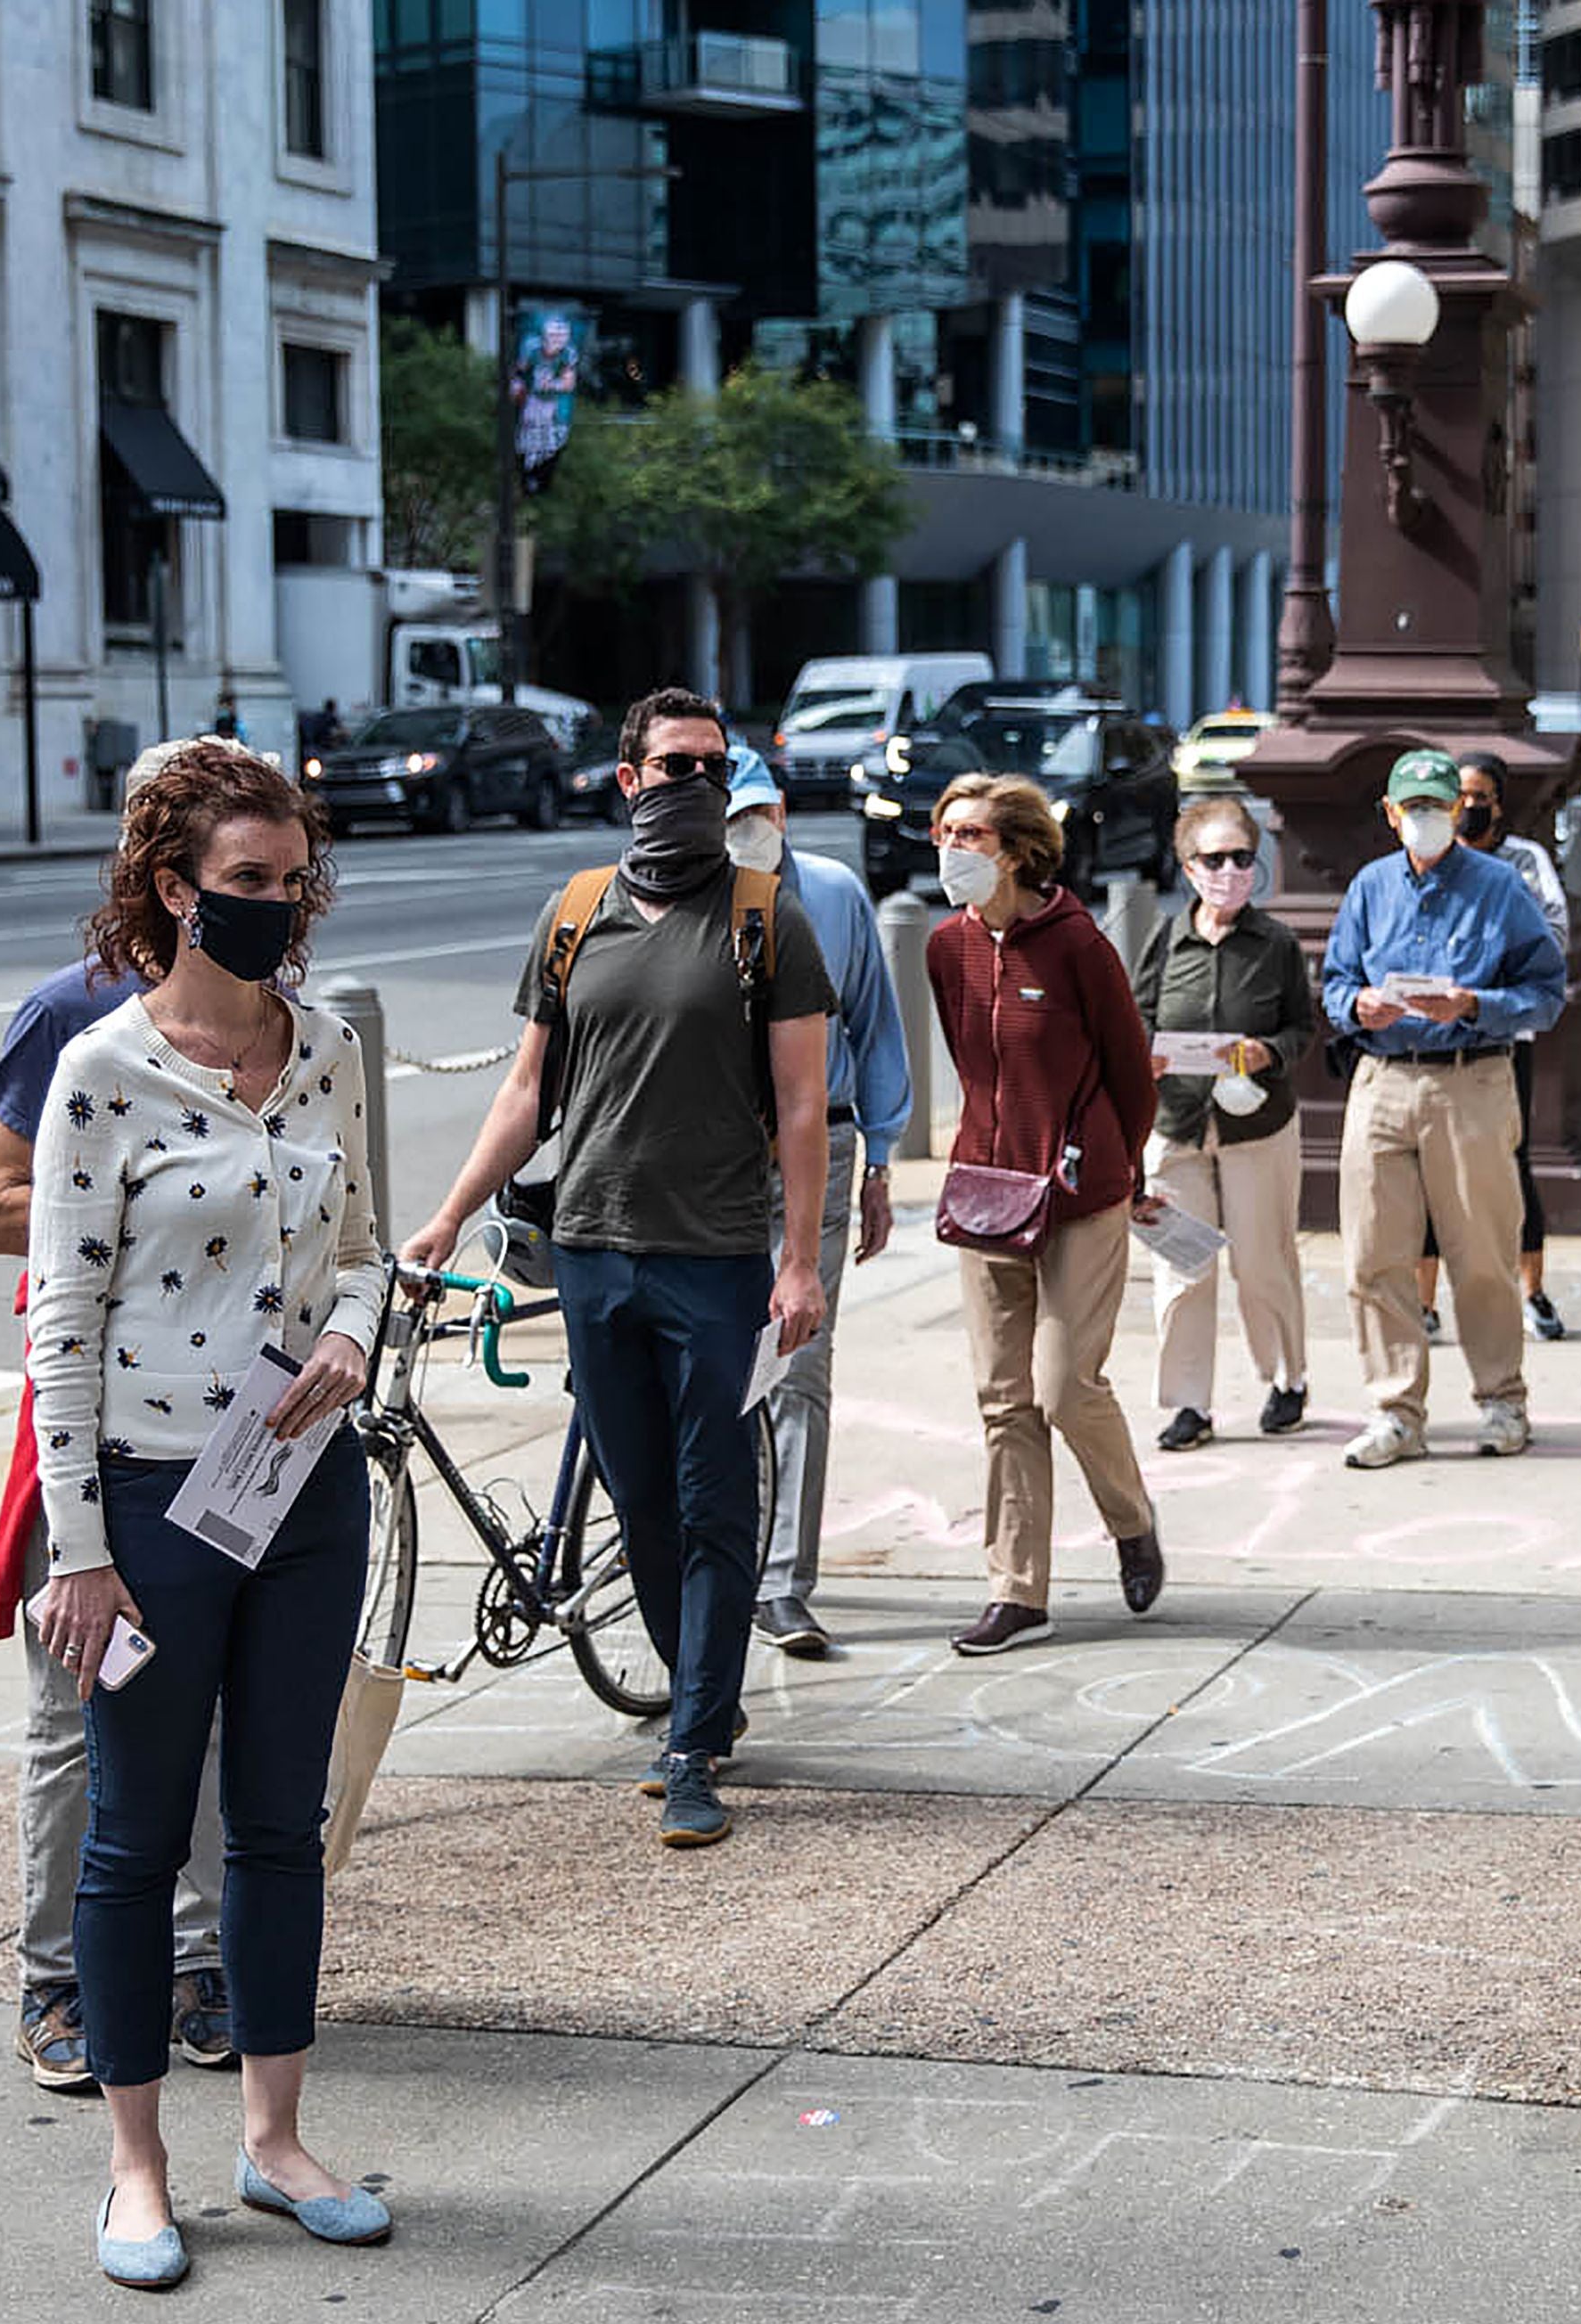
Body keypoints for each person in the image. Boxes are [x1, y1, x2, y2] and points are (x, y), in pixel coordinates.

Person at [24, 740, 389, 2287]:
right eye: (247, 882)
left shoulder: (327, 1049)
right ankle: (134, 2168)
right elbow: (62, 1320)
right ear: (173, 889)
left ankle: (278, 2140)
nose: (281, 905)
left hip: (306, 1491)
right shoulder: (103, 1072)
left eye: (294, 878)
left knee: (281, 1828)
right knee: (130, 1836)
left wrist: (357, 1333)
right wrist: (84, 1550)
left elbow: (366, 1241)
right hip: (160, 1506)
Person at [401, 688, 834, 1848]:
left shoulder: (765, 919)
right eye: (672, 764)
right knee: (640, 1497)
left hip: (721, 1259)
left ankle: (690, 1742)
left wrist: (801, 1261)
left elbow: (802, 1107)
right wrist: (447, 1216)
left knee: (713, 1498)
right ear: (628, 776)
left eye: (712, 765)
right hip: (593, 1252)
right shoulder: (576, 911)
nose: (691, 782)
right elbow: (524, 1091)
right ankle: (705, 1684)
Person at [0, 857, 227, 2097]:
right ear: (162, 878)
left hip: (228, 1418)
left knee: (215, 1705)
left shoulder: (275, 1013)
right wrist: (133, 1207)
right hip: (89, 1409)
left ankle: (195, 1964)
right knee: (78, 1703)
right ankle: (55, 1980)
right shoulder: (68, 1012)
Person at [923, 772, 1166, 1650]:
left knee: (1065, 1385)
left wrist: (1124, 1167)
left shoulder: (1078, 946)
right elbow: (967, 1058)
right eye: (944, 832)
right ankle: (1017, 1590)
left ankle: (1131, 1520)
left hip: (1079, 1194)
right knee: (1004, 1399)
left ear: (1019, 850)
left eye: (972, 836)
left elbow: (1132, 1076)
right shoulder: (946, 947)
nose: (952, 849)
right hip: (987, 1193)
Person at [1322, 748, 1568, 1469]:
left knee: (1484, 1251)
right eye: (1414, 807)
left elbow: (1547, 990)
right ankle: (1395, 1409)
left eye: (1439, 806)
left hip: (1471, 1077)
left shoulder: (1499, 885)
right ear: (1391, 814)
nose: (1426, 819)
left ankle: (1501, 1399)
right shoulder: (1370, 887)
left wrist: (1475, 1005)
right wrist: (1353, 1004)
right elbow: (1335, 976)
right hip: (1383, 1075)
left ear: (1457, 812)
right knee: (1372, 1253)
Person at [722, 745, 911, 1662]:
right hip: (714, 1154)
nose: (745, 832)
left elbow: (875, 1024)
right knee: (719, 1364)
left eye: (756, 813)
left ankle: (784, 1581)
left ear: (783, 811)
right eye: (729, 816)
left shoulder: (833, 892)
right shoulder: (690, 894)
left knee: (798, 1363)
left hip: (820, 1147)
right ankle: (724, 1559)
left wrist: (883, 1159)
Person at [1135, 793, 1318, 1452]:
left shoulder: (1275, 943)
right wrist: (1145, 1055)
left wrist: (1270, 1051)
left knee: (1263, 1263)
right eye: (1214, 858)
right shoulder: (1168, 937)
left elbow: (1303, 1026)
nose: (1230, 870)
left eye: (1242, 857)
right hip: (1178, 1128)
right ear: (1188, 866)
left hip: (1256, 1128)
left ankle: (1286, 1379)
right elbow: (1136, 1017)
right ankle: (1189, 1403)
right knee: (1182, 1270)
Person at [1420, 754, 1573, 1336]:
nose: (1466, 805)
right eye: (1456, 794)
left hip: (1505, 1031)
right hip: (1432, 1034)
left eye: (1478, 794)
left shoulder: (1523, 863)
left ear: (1498, 803)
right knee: (1429, 1167)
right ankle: (1425, 1301)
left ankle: (1531, 1290)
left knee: (1512, 1158)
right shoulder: (1428, 862)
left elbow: (1552, 935)